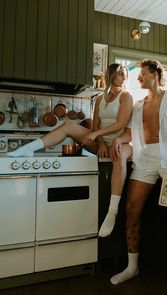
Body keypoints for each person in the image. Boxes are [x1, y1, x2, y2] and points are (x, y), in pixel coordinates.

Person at [109, 59, 167, 295]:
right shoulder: (139, 105)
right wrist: (117, 140)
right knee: (131, 208)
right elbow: (131, 133)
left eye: (142, 74)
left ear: (155, 74)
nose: (138, 78)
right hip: (145, 160)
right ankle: (132, 267)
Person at [7, 63, 133, 238]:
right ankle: (28, 148)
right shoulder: (99, 99)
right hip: (102, 143)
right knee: (68, 125)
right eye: (120, 73)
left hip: (121, 143)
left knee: (119, 155)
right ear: (111, 75)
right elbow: (96, 124)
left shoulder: (126, 96)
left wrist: (98, 134)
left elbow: (120, 123)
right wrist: (102, 143)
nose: (123, 77)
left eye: (124, 74)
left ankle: (112, 211)